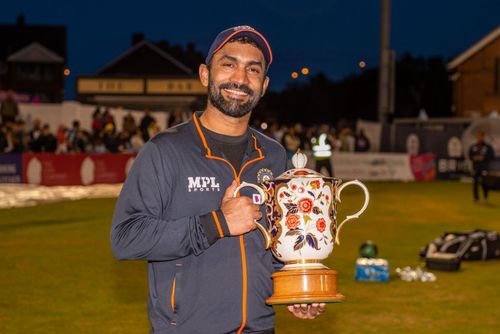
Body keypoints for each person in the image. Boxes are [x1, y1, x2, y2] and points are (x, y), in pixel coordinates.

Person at [111, 25, 325, 334]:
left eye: (253, 70)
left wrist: (296, 286)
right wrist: (216, 224)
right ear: (204, 74)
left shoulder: (275, 156)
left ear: (263, 85)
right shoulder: (165, 150)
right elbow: (125, 238)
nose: (240, 78)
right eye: (228, 64)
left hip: (260, 328)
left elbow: (277, 243)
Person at [468, 131, 495, 203]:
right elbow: (470, 156)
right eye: (479, 136)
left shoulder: (487, 147)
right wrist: (474, 158)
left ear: (484, 137)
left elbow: (491, 156)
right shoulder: (473, 147)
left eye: (481, 136)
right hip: (476, 167)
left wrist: (483, 158)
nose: (480, 138)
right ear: (477, 137)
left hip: (484, 167)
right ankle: (476, 198)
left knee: (485, 183)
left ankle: (485, 197)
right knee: (475, 183)